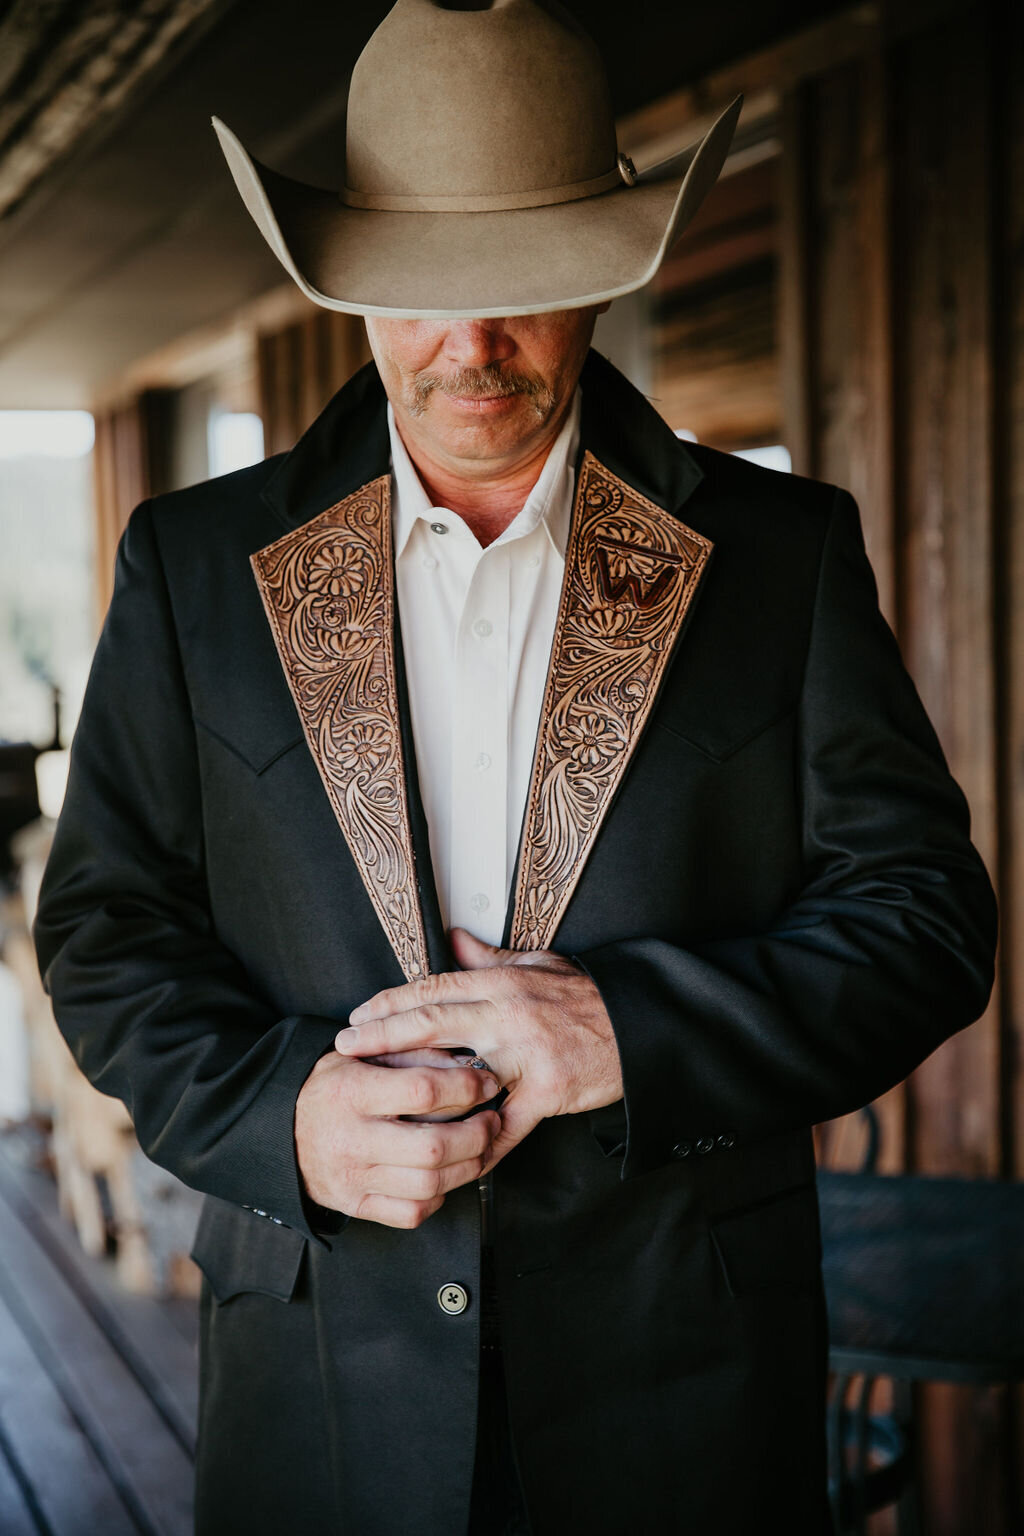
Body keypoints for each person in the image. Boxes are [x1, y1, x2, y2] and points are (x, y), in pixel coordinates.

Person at [33, 3, 997, 1533]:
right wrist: (283, 1115)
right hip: (319, 1383)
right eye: (420, 292)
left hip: (683, 1385)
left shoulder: (780, 560)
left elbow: (928, 924)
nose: (470, 346)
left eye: (523, 287)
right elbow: (102, 931)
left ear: (605, 274)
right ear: (346, 287)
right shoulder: (194, 569)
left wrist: (630, 1035)